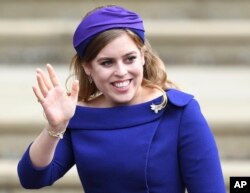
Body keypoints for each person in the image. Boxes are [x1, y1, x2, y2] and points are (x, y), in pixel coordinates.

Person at [17, 5, 226, 193]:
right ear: (87, 67)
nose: (121, 71)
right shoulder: (79, 116)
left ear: (143, 57)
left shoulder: (178, 111)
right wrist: (54, 128)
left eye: (130, 59)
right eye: (107, 63)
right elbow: (32, 178)